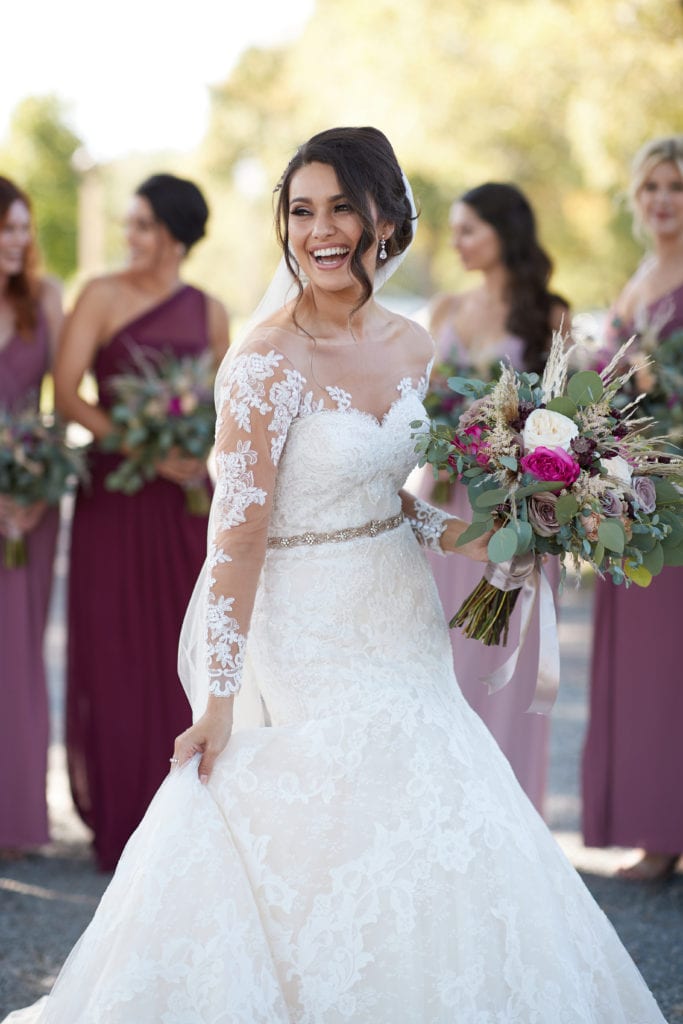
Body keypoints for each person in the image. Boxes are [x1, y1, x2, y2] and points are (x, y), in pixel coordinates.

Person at [5, 128, 665, 1022]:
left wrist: (499, 533)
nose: (319, 231)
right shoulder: (262, 361)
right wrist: (219, 698)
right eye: (301, 212)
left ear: (386, 220)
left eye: (341, 209)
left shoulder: (408, 344)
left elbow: (388, 501)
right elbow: (236, 541)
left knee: (438, 797)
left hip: (398, 612)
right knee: (329, 817)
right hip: (304, 624)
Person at [54, 173, 230, 871]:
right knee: (112, 648)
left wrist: (193, 453)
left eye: (143, 226)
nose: (131, 238)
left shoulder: (211, 311)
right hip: (115, 497)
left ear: (176, 236)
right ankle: (123, 820)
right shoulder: (99, 294)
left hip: (185, 503)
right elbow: (68, 395)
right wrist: (146, 449)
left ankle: (184, 814)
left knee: (180, 651)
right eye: (129, 224)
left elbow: (225, 405)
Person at [412, 183, 568, 813]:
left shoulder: (548, 314)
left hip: (516, 509)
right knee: (436, 654)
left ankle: (504, 816)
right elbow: (417, 403)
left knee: (506, 660)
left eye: (469, 228)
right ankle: (436, 809)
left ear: (506, 233)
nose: (456, 241)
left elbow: (566, 419)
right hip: (445, 500)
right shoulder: (445, 307)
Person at [582, 135, 683, 881]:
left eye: (674, 186)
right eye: (649, 186)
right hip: (638, 488)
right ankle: (655, 827)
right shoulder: (640, 274)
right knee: (652, 663)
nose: (660, 200)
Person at [0, 177, 62, 858]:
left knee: (18, 657)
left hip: (32, 505)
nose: (19, 242)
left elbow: (58, 404)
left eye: (24, 229)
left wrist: (36, 491)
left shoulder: (45, 299)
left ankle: (15, 818)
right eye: (6, 230)